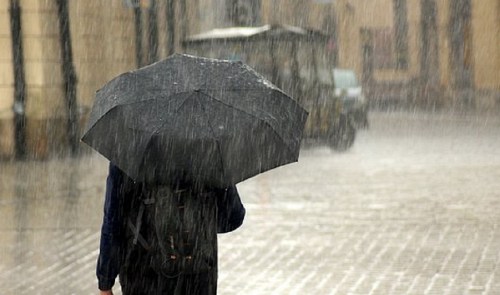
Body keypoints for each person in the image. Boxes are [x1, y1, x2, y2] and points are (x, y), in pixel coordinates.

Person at [97, 163, 246, 295]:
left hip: (143, 272)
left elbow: (113, 220)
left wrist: (105, 280)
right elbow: (233, 217)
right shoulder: (209, 148)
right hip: (198, 271)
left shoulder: (130, 148)